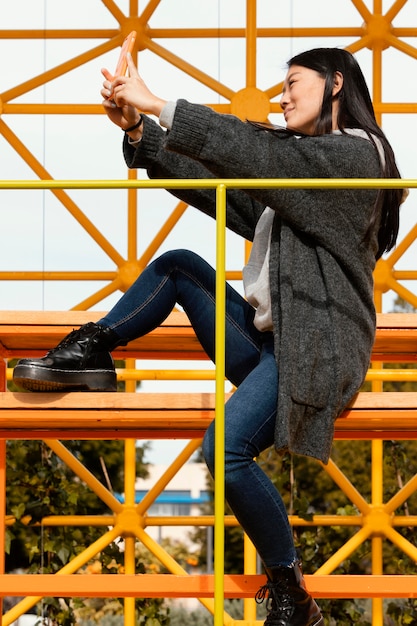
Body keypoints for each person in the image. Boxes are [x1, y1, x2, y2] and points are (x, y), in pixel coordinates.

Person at [13, 47, 404, 626]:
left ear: (336, 83)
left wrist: (161, 103)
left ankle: (292, 593)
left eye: (294, 83)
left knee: (223, 453)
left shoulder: (356, 159)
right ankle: (91, 348)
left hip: (312, 353)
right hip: (274, 344)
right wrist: (142, 133)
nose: (283, 96)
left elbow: (256, 151)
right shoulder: (301, 175)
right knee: (180, 266)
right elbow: (226, 182)